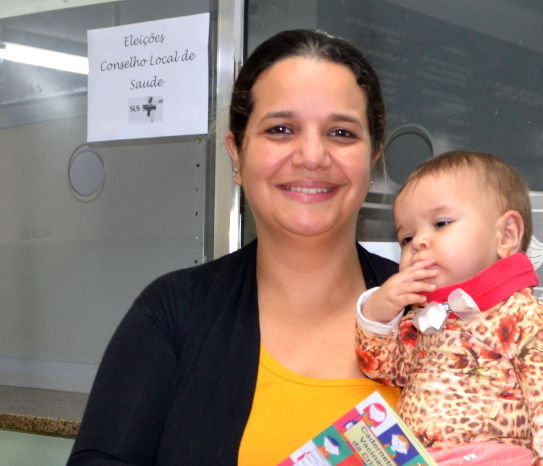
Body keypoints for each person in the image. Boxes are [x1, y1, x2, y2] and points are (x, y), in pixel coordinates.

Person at [68, 30, 400, 466]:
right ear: (237, 155)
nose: (313, 155)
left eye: (341, 132)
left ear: (373, 159)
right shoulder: (175, 313)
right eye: (281, 129)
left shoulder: (437, 317)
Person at [356, 151, 543, 466]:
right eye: (406, 238)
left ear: (506, 235)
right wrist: (378, 314)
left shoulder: (530, 322)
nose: (419, 242)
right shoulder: (423, 318)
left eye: (440, 223)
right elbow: (383, 369)